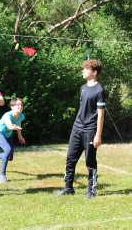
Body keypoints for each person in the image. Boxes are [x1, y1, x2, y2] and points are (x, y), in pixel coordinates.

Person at [59, 59, 105, 198]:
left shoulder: (99, 90)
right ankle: (68, 188)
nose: (83, 71)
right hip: (77, 127)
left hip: (90, 130)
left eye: (86, 69)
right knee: (70, 158)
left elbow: (101, 114)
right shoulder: (83, 88)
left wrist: (98, 135)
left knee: (89, 161)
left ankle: (91, 190)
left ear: (94, 72)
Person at [0, 98, 25, 183]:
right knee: (7, 150)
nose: (20, 106)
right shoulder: (7, 115)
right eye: (18, 105)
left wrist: (20, 137)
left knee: (10, 157)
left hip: (8, 134)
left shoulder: (21, 115)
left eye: (21, 105)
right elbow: (10, 126)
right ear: (12, 107)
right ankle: (1, 175)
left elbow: (18, 124)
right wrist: (15, 127)